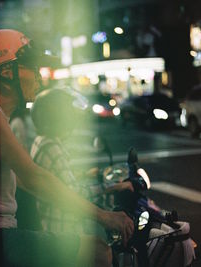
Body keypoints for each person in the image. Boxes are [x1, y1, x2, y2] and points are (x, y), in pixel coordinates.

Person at [0, 29, 134, 267]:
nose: (41, 77)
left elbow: (20, 180)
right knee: (97, 251)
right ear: (8, 73)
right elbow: (33, 177)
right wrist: (103, 216)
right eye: (32, 68)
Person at [30, 88, 134, 236]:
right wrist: (112, 187)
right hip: (63, 230)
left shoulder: (41, 141)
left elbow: (57, 179)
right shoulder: (52, 148)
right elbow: (76, 194)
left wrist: (84, 174)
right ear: (55, 118)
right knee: (105, 251)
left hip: (52, 221)